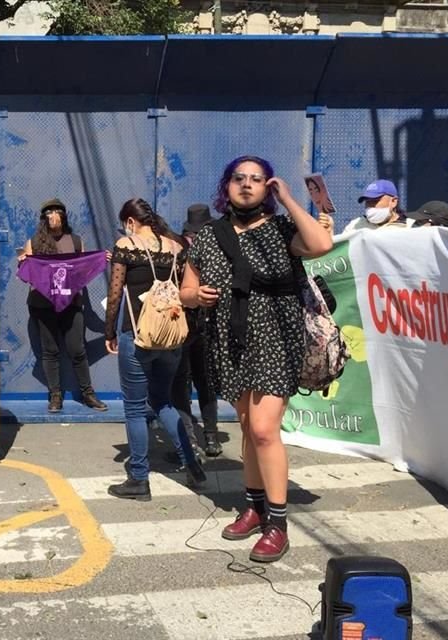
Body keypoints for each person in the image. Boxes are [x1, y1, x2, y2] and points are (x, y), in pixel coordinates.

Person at [181, 155, 332, 563]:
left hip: (276, 339)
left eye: (257, 179)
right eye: (238, 178)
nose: (246, 185)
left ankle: (278, 524)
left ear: (268, 187)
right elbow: (186, 289)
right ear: (226, 185)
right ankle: (254, 505)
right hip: (228, 341)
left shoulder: (283, 229)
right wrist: (197, 297)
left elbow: (320, 245)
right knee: (248, 428)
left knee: (265, 430)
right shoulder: (209, 236)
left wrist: (288, 199)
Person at [104, 198, 206, 501]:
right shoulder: (176, 247)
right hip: (172, 338)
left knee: (135, 409)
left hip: (137, 337)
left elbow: (114, 296)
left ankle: (138, 478)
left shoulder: (126, 244)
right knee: (164, 402)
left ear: (131, 221)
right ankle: (192, 464)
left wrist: (109, 331)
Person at [18, 198, 107, 413]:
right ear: (43, 218)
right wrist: (23, 262)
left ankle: (87, 393)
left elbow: (82, 270)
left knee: (77, 349)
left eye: (57, 212)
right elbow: (29, 272)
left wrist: (101, 258)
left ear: (64, 216)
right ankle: (55, 395)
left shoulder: (75, 241)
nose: (53, 216)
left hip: (72, 302)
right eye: (48, 213)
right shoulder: (34, 241)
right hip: (42, 304)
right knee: (50, 350)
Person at [171, 204, 221, 457]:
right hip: (205, 327)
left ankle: (191, 440)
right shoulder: (216, 255)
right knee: (203, 383)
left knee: (186, 383)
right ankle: (208, 438)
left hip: (189, 326)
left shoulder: (182, 257)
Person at [343, 179, 414, 233]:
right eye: (367, 202)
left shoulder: (411, 227)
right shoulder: (354, 225)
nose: (370, 206)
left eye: (375, 201)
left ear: (393, 202)